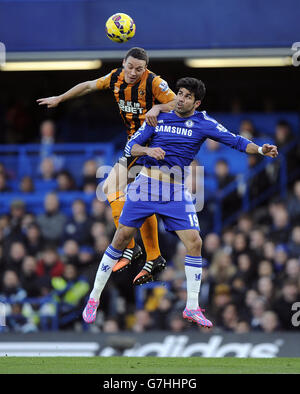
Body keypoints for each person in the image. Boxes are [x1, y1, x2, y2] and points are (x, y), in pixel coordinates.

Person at [82, 77, 278, 328]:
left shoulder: (203, 123)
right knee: (120, 239)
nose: (181, 99)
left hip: (175, 190)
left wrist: (261, 150)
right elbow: (131, 147)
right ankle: (94, 298)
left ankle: (192, 307)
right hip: (146, 185)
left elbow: (236, 141)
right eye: (180, 93)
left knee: (195, 242)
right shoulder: (158, 118)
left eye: (187, 96)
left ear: (196, 103)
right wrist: (148, 151)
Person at [37, 47, 176, 279]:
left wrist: (159, 106)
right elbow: (89, 85)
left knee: (112, 188)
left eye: (139, 69)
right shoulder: (115, 77)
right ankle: (151, 255)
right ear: (124, 63)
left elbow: (178, 104)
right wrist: (61, 98)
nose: (133, 72)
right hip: (136, 145)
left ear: (145, 69)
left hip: (154, 145)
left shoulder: (154, 82)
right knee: (129, 195)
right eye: (130, 67)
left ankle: (134, 249)